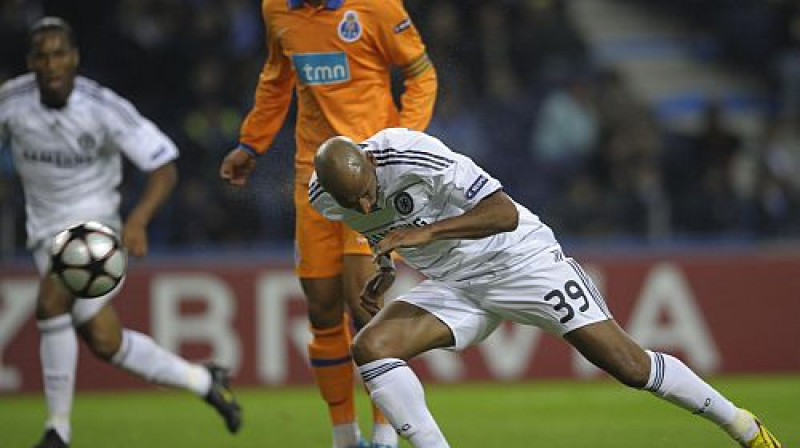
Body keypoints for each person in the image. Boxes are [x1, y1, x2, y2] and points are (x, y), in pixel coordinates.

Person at [308, 128, 783, 448]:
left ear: (372, 161)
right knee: (372, 347)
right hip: (455, 284)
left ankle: (743, 427)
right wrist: (386, 268)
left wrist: (426, 234)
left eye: (367, 192)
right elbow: (382, 229)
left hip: (520, 260)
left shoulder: (413, 154)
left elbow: (503, 214)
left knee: (629, 365)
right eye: (353, 201)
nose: (364, 205)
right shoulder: (325, 199)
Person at [0, 17, 242, 448]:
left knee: (52, 301)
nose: (52, 64)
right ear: (30, 61)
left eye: (59, 54)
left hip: (97, 229)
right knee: (104, 341)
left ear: (75, 58)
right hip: (43, 232)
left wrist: (137, 221)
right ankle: (204, 381)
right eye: (42, 56)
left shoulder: (103, 107)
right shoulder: (11, 103)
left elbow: (163, 167)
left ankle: (57, 430)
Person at [219, 0, 436, 446]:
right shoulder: (277, 9)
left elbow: (422, 75)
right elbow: (276, 80)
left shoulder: (375, 7)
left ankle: (384, 436)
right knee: (321, 308)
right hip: (312, 179)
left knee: (366, 303)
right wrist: (251, 143)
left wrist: (401, 144)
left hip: (370, 180)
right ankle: (344, 437)